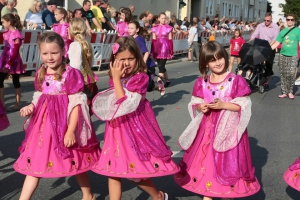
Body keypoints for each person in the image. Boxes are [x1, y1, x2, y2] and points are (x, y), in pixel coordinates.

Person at [13, 32, 101, 200]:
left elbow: (77, 103)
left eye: (54, 53)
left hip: (65, 122)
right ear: (40, 53)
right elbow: (39, 95)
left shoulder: (71, 73)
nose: (50, 57)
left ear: (63, 51)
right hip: (43, 125)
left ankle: (87, 194)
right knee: (36, 159)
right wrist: (31, 107)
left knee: (74, 158)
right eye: (45, 54)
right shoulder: (41, 71)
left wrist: (71, 130)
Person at [92, 36, 179, 200]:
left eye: (130, 58)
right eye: (121, 59)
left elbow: (124, 103)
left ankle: (157, 196)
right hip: (117, 127)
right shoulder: (116, 76)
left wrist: (117, 79)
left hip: (135, 126)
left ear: (137, 58)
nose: (126, 63)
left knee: (135, 169)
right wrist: (116, 78)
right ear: (114, 60)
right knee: (113, 169)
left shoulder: (141, 77)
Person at [174, 41, 260, 200]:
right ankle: (212, 191)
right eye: (212, 60)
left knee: (227, 167)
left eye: (220, 58)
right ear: (205, 63)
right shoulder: (202, 82)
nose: (218, 62)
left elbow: (244, 105)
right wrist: (201, 107)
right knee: (208, 166)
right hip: (207, 133)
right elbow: (195, 101)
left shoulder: (235, 80)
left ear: (225, 57)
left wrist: (223, 105)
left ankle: (227, 191)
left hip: (228, 131)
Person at [68, 18, 99, 114]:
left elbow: (75, 66)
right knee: (86, 112)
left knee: (78, 112)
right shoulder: (88, 44)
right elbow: (92, 63)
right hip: (90, 80)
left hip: (80, 82)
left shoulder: (74, 45)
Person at [128, 21, 163, 94]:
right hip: (137, 65)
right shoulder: (131, 39)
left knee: (146, 86)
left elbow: (146, 52)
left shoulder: (139, 39)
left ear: (137, 30)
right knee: (139, 85)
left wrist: (143, 63)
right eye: (129, 28)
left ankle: (158, 86)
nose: (129, 30)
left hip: (146, 66)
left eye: (132, 28)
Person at [271, 13, 300, 99]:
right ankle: (284, 92)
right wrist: (268, 50)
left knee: (291, 73)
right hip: (283, 55)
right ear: (286, 20)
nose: (290, 21)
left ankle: (290, 91)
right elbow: (277, 43)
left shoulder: (297, 31)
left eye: (291, 19)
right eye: (288, 19)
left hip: (293, 55)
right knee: (283, 74)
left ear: (294, 21)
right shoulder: (282, 32)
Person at [0, 13, 24, 112]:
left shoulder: (16, 35)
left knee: (15, 81)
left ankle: (17, 103)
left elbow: (14, 51)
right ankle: (2, 103)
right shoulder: (7, 32)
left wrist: (8, 64)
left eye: (3, 22)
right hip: (5, 58)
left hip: (13, 61)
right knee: (0, 80)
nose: (2, 24)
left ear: (9, 22)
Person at [250, 12, 280, 91]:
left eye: (268, 21)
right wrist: (250, 41)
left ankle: (267, 82)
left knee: (268, 66)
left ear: (271, 19)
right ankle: (256, 79)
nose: (266, 22)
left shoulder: (275, 27)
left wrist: (268, 47)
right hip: (260, 47)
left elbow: (274, 39)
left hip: (270, 47)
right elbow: (254, 35)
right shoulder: (260, 25)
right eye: (265, 20)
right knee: (256, 63)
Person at [151, 12, 173, 88]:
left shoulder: (168, 28)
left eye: (165, 18)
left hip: (165, 48)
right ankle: (167, 80)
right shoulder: (154, 28)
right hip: (157, 48)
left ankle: (159, 83)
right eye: (162, 18)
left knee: (161, 66)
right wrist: (152, 51)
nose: (163, 20)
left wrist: (171, 51)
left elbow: (170, 40)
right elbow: (153, 40)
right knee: (161, 66)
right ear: (158, 19)